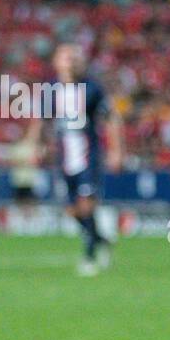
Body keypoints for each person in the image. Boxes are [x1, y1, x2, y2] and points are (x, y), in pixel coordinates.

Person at [26, 44, 122, 276]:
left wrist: (116, 150)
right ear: (57, 61)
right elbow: (42, 120)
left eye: (75, 58)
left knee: (87, 203)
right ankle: (102, 240)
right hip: (63, 156)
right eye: (67, 57)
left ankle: (89, 257)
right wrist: (34, 145)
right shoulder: (50, 88)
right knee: (71, 210)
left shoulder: (92, 88)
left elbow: (111, 119)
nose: (73, 62)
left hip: (88, 155)